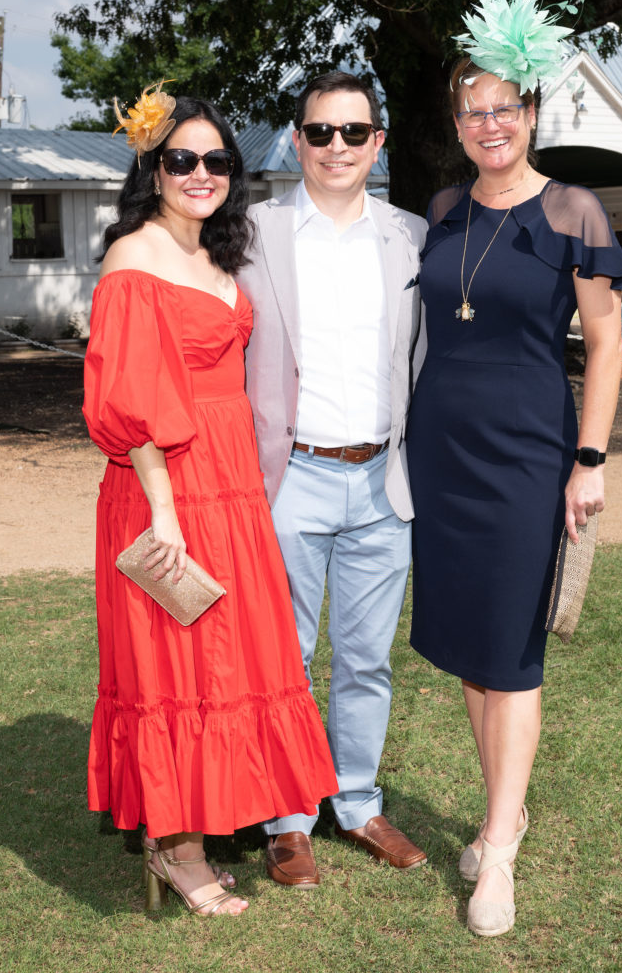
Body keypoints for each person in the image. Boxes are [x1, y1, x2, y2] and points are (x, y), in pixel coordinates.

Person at [406, 0, 622, 937]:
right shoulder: (445, 208)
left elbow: (605, 339)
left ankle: (497, 848)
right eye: (472, 110)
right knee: (468, 648)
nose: (488, 123)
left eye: (504, 107)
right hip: (440, 456)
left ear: (530, 110)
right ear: (457, 123)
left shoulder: (573, 209)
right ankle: (506, 808)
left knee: (512, 652)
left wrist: (587, 459)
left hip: (526, 457)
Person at [83, 86, 338, 917]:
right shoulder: (134, 256)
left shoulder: (216, 256)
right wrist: (162, 509)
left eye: (216, 160)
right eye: (181, 159)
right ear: (152, 168)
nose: (201, 173)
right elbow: (128, 396)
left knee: (226, 660)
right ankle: (177, 852)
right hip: (165, 486)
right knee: (173, 662)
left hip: (231, 487)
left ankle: (196, 831)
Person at [239, 71, 428, 888]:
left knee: (365, 659)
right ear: (296, 139)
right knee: (283, 657)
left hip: (383, 481)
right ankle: (287, 817)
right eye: (321, 132)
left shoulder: (414, 237)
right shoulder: (251, 233)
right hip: (290, 480)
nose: (337, 148)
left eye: (354, 133)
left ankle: (355, 801)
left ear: (376, 142)